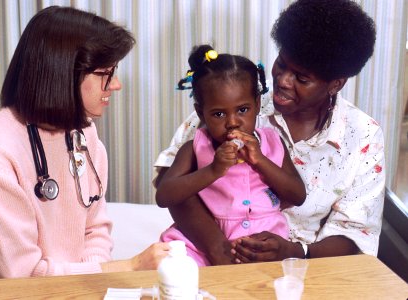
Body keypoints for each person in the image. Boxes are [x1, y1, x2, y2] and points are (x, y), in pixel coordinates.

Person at [154, 0, 385, 265]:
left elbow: (354, 231)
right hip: (217, 253)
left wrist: (296, 252)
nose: (283, 81)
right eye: (282, 64)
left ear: (335, 84)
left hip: (306, 265)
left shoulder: (362, 135)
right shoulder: (234, 100)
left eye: (302, 78)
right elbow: (169, 186)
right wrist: (216, 246)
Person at [0, 6, 169, 280]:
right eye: (106, 73)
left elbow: (95, 229)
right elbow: (20, 276)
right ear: (63, 73)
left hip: (76, 283)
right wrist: (129, 267)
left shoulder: (83, 133)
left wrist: (94, 280)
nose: (116, 85)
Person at [155, 45, 306, 266]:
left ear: (257, 104)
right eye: (218, 114)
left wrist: (260, 161)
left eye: (243, 110)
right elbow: (164, 196)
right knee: (172, 268)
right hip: (202, 247)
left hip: (262, 246)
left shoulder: (273, 142)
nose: (232, 122)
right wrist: (213, 170)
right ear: (201, 113)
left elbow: (297, 195)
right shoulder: (195, 147)